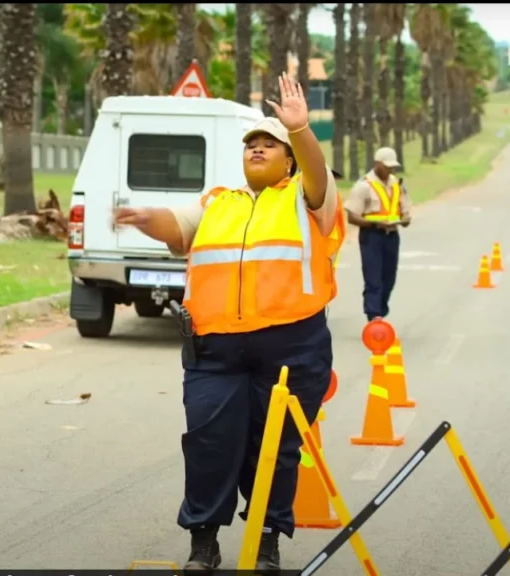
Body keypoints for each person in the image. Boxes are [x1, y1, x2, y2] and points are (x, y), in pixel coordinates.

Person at [112, 75, 345, 574]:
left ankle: (266, 544)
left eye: (270, 145)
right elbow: (177, 229)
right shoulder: (217, 202)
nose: (258, 150)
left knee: (277, 448)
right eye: (251, 145)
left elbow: (318, 174)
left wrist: (301, 129)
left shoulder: (308, 200)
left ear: (288, 160)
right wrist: (147, 218)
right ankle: (204, 543)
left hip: (292, 345)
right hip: (215, 349)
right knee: (209, 443)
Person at [344, 147, 412, 322]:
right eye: (386, 166)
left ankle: (380, 311)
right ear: (377, 164)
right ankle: (373, 316)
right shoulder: (363, 186)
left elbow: (405, 211)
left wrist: (404, 219)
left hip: (392, 235)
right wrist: (374, 223)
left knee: (389, 279)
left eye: (392, 167)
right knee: (373, 279)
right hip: (371, 236)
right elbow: (352, 216)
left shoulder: (397, 184)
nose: (390, 170)